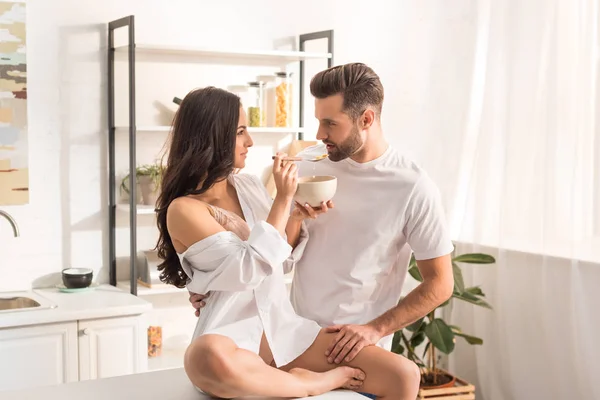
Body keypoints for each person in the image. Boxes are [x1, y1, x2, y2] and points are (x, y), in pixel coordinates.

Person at [190, 63, 455, 384]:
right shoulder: (305, 165)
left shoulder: (412, 186)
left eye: (330, 123)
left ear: (366, 119)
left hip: (352, 343)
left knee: (403, 377)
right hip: (288, 336)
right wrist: (211, 284)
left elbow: (440, 283)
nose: (319, 134)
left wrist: (376, 329)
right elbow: (268, 252)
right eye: (318, 121)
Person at [155, 86, 421, 399]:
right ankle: (312, 383)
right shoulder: (184, 209)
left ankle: (296, 378)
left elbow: (278, 262)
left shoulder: (247, 185)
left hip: (285, 334)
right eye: (240, 131)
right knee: (204, 356)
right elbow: (248, 272)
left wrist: (294, 216)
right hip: (231, 343)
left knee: (404, 373)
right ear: (210, 136)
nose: (250, 141)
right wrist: (283, 198)